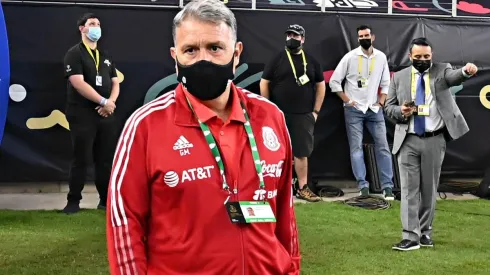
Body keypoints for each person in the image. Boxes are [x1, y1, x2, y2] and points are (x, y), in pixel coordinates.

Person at [106, 0, 300, 274]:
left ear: (236, 53)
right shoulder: (145, 126)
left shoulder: (271, 117)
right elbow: (125, 221)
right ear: (176, 59)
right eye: (190, 50)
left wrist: (291, 268)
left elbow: (284, 211)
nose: (203, 60)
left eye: (214, 48)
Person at [385, 37, 477, 251]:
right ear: (410, 57)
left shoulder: (442, 70)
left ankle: (425, 233)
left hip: (434, 140)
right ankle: (410, 236)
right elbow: (388, 107)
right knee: (408, 190)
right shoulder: (399, 77)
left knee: (429, 189)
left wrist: (466, 71)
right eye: (418, 57)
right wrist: (402, 111)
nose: (423, 60)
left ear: (432, 56)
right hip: (407, 140)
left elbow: (455, 77)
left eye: (427, 56)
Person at [259, 24, 325, 203]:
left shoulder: (311, 61)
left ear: (303, 39)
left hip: (304, 114)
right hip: (279, 115)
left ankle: (303, 188)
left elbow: (321, 85)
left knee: (301, 153)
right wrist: (268, 108)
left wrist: (315, 111)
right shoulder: (278, 58)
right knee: (275, 152)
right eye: (289, 35)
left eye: (295, 36)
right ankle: (276, 188)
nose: (291, 38)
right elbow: (264, 82)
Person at [62, 13, 120, 214]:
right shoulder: (74, 53)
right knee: (81, 158)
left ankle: (105, 201)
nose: (96, 27)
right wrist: (103, 101)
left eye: (98, 24)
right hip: (82, 114)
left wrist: (110, 103)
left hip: (105, 115)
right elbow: (78, 83)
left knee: (105, 159)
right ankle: (73, 202)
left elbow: (115, 82)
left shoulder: (105, 56)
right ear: (82, 28)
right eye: (92, 24)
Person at [329, 25, 394, 199]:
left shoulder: (380, 57)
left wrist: (382, 101)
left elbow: (387, 82)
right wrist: (348, 101)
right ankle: (362, 186)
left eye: (366, 35)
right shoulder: (350, 57)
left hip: (374, 109)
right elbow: (334, 82)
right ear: (357, 38)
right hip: (354, 110)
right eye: (360, 36)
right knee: (356, 148)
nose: (364, 38)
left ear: (372, 37)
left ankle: (388, 187)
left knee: (383, 147)